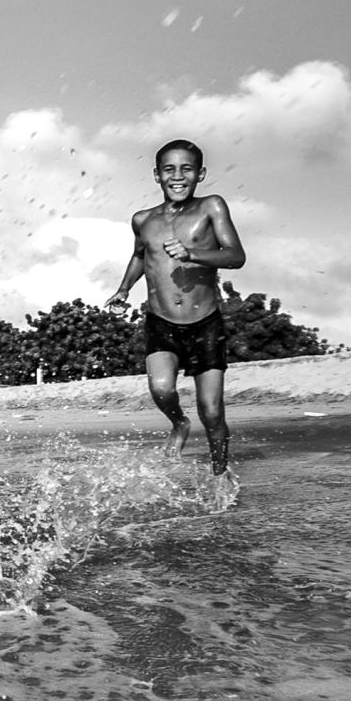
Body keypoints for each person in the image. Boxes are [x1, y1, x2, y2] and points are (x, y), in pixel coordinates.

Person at [104, 139, 247, 475]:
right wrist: (124, 289)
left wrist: (192, 253)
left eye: (187, 169)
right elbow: (142, 255)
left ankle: (219, 474)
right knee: (162, 388)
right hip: (160, 320)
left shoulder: (211, 206)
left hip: (204, 323)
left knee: (211, 412)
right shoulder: (142, 219)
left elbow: (236, 256)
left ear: (200, 174)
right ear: (157, 175)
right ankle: (179, 423)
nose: (178, 176)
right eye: (169, 169)